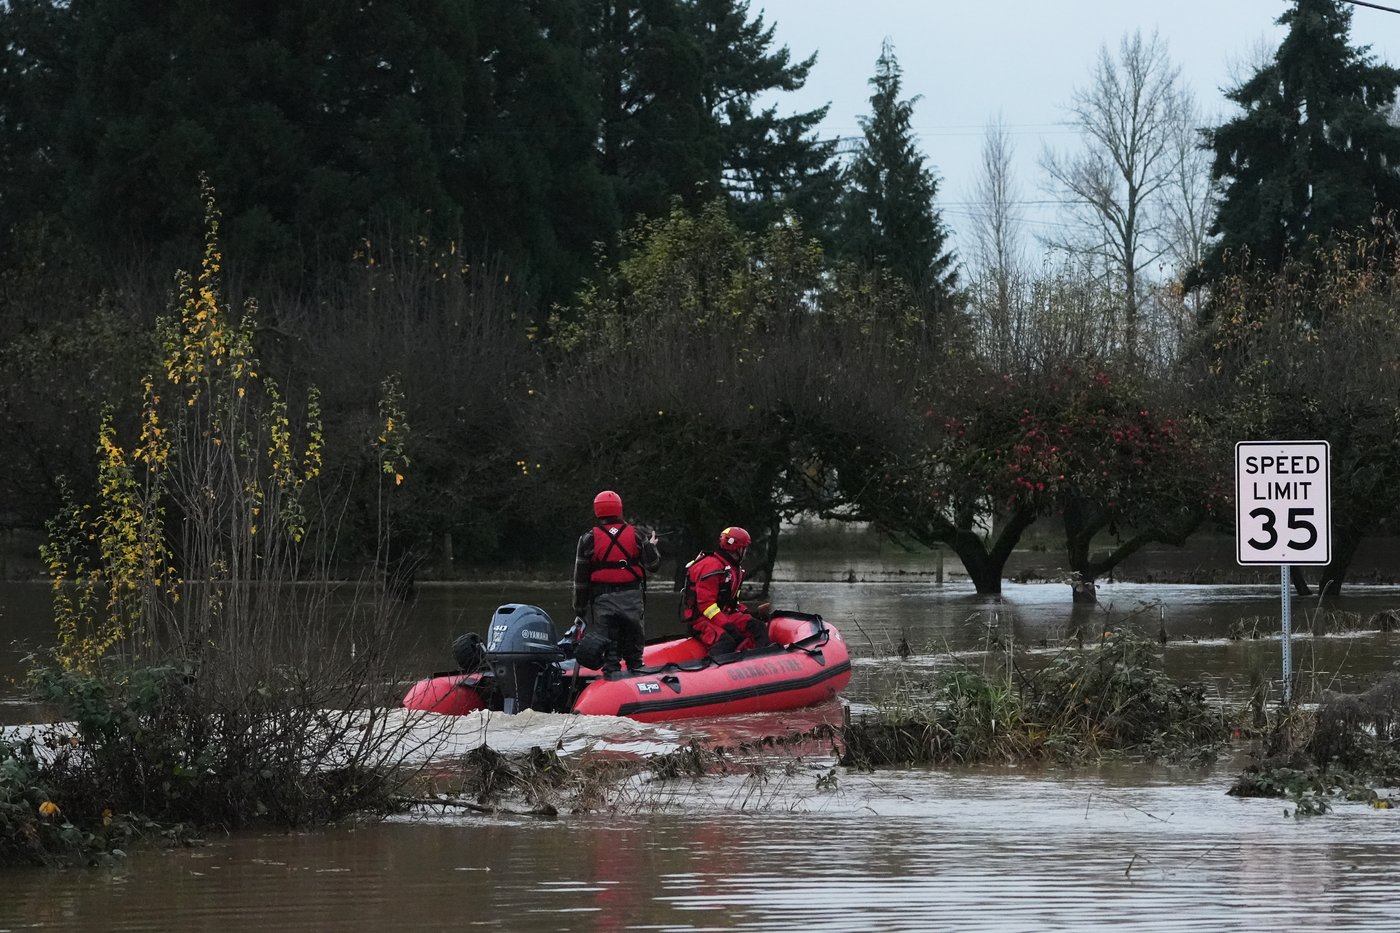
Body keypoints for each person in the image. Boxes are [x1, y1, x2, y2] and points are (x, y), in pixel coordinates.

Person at [572, 489, 660, 676]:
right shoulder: (637, 535)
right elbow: (653, 565)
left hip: (602, 600)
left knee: (609, 651)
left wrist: (579, 609)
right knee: (634, 649)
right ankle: (636, 670)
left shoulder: (588, 539)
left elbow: (580, 580)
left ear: (597, 511)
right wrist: (652, 546)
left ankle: (611, 673)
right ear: (620, 509)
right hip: (631, 598)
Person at [680, 526, 771, 657]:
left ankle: (762, 661)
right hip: (701, 619)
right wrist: (728, 626)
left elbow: (732, 602)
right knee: (726, 641)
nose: (746, 552)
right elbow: (706, 606)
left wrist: (751, 613)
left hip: (722, 615)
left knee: (758, 627)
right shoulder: (712, 567)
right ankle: (710, 672)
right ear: (738, 548)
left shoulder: (733, 569)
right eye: (745, 548)